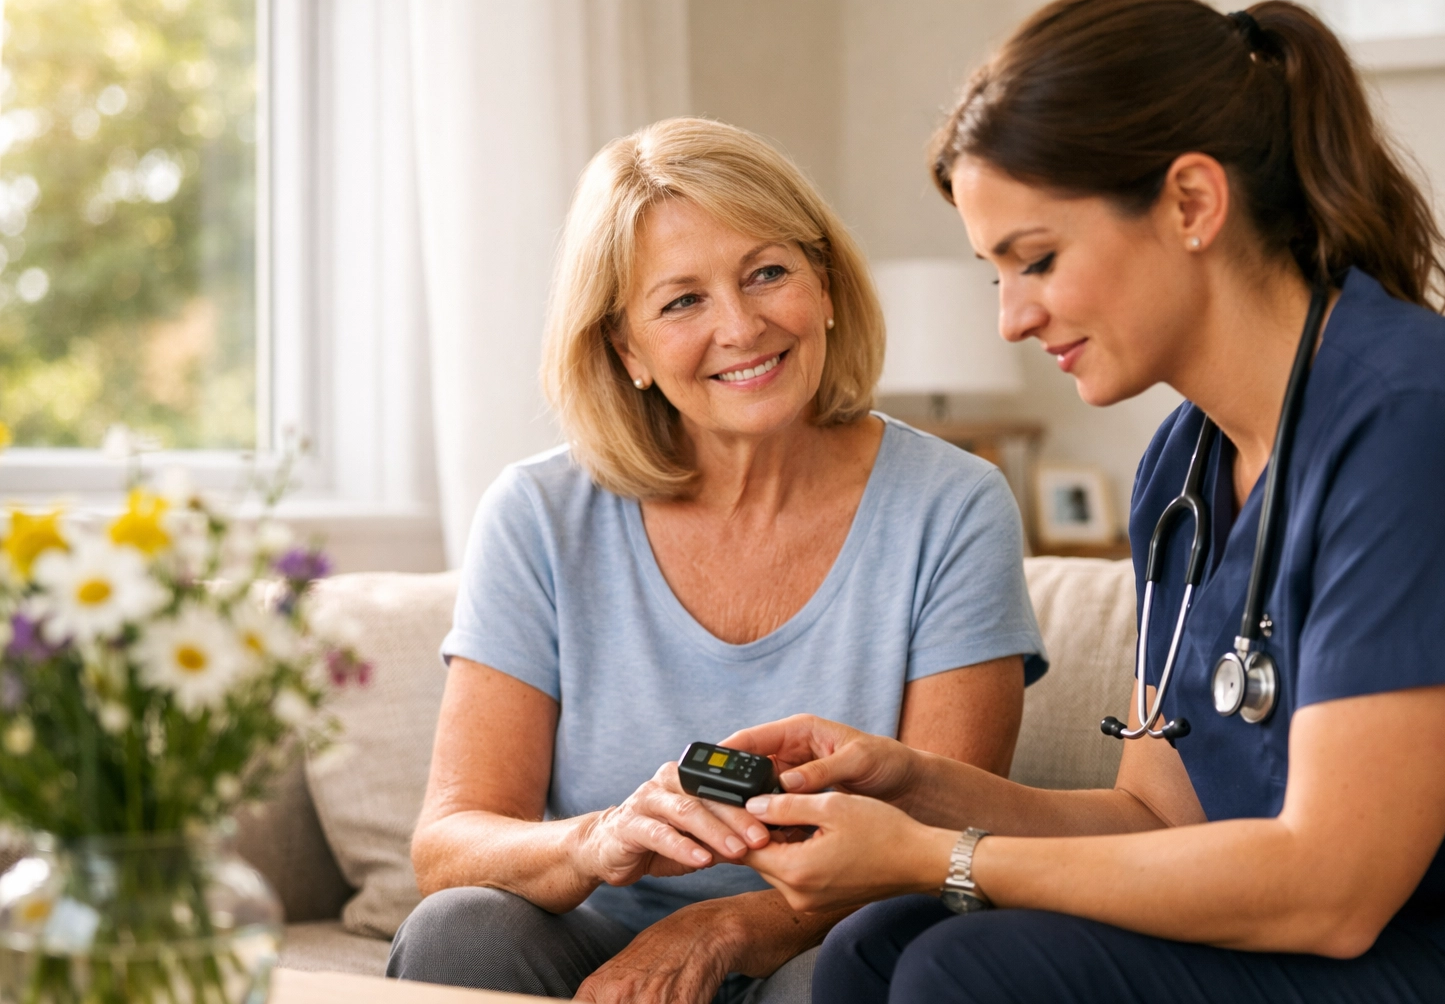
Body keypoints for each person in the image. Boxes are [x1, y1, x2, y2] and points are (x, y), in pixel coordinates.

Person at [724, 0, 1445, 1004]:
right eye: (995, 278)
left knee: (961, 963)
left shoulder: (1428, 421)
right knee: (878, 943)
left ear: (1192, 203)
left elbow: (1334, 888)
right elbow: (1157, 821)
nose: (1013, 319)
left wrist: (940, 855)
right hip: (1308, 948)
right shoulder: (1182, 471)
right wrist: (910, 786)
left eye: (1038, 260)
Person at [384, 117, 1048, 1004]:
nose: (741, 327)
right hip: (596, 948)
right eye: (681, 301)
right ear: (629, 351)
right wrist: (595, 840)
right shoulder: (539, 515)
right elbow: (451, 842)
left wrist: (721, 928)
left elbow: (939, 842)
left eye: (768, 272)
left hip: (824, 942)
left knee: (865, 971)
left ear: (827, 288)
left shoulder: (953, 504)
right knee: (458, 930)